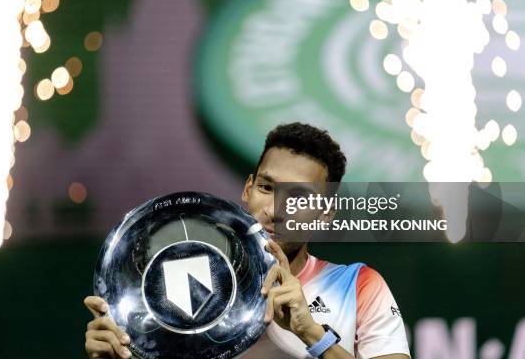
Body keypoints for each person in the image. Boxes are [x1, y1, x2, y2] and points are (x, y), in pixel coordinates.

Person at [84, 122, 411, 359]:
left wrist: (310, 332)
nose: (274, 210)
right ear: (247, 188)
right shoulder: (175, 292)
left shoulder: (358, 286)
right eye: (267, 188)